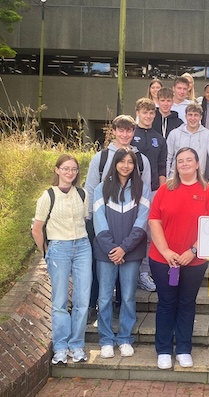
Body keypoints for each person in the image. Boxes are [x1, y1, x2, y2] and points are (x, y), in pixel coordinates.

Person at [149, 147, 209, 369]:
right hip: (163, 260)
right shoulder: (164, 190)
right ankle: (163, 349)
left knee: (187, 304)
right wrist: (167, 251)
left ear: (198, 164)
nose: (185, 164)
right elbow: (154, 221)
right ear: (176, 165)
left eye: (190, 160)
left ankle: (183, 348)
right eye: (181, 161)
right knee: (167, 303)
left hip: (194, 260)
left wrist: (193, 251)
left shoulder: (208, 192)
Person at [84, 115, 152, 321]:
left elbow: (145, 191)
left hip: (130, 225)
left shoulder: (141, 160)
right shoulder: (101, 157)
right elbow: (89, 188)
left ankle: (121, 309)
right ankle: (93, 306)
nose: (125, 134)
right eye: (121, 130)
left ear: (133, 132)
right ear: (114, 131)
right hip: (102, 221)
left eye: (129, 131)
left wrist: (129, 241)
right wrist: (90, 219)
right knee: (99, 273)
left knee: (126, 280)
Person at [32, 154, 92, 365]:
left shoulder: (83, 194)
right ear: (57, 170)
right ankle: (60, 347)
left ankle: (76, 345)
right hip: (58, 248)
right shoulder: (48, 196)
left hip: (83, 247)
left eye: (74, 169)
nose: (70, 172)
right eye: (65, 168)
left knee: (82, 301)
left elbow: (83, 220)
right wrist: (45, 252)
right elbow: (37, 229)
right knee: (59, 302)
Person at [93, 148, 150, 359]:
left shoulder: (141, 189)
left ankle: (125, 338)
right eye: (122, 161)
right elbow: (99, 222)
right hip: (106, 252)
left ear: (135, 166)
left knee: (127, 297)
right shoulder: (102, 188)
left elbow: (142, 221)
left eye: (130, 162)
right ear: (115, 163)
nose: (126, 165)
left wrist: (124, 248)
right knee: (105, 297)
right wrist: (112, 249)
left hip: (131, 252)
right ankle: (106, 340)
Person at [132, 98, 167, 291]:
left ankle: (144, 272)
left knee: (150, 234)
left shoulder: (159, 138)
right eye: (145, 112)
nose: (148, 116)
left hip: (153, 191)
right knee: (132, 231)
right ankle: (129, 271)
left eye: (151, 113)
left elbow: (163, 167)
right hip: (131, 193)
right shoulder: (130, 134)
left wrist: (161, 193)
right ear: (137, 112)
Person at [166, 103, 209, 189]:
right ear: (186, 116)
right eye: (190, 115)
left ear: (200, 117)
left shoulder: (208, 134)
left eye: (196, 115)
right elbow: (168, 157)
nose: (193, 118)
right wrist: (167, 177)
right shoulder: (174, 133)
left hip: (197, 178)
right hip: (176, 179)